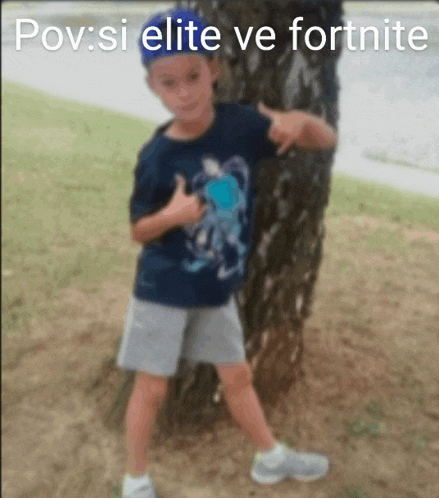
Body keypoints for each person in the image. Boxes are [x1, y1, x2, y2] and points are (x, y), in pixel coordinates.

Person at [116, 8, 337, 498]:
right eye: (168, 83)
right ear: (152, 86)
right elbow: (138, 230)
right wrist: (170, 218)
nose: (184, 93)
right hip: (164, 290)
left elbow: (326, 140)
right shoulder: (157, 157)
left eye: (193, 75)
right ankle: (135, 479)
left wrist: (300, 121)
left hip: (217, 289)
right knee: (151, 388)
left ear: (213, 68)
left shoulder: (240, 124)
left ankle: (270, 457)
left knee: (238, 376)